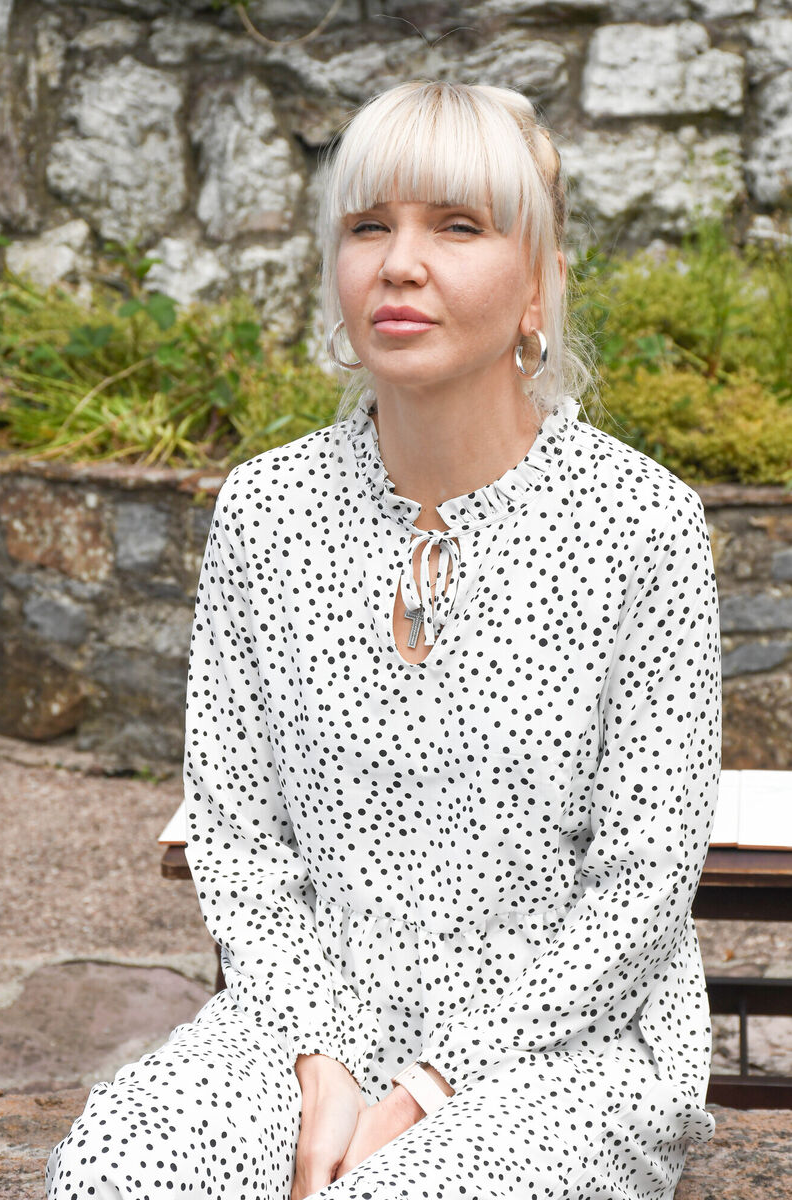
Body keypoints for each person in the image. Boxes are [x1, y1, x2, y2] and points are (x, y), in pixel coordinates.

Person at [46, 79, 721, 1200]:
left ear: (538, 282)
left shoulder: (639, 526)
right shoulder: (264, 512)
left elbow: (643, 882)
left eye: (456, 225)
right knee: (125, 1165)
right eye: (369, 226)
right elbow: (237, 834)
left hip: (560, 1045)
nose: (399, 263)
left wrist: (423, 1094)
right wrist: (319, 1067)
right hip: (306, 1020)